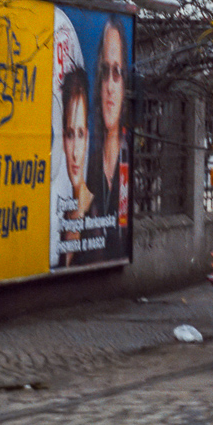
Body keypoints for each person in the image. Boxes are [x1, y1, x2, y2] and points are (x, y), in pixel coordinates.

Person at [87, 17, 130, 261]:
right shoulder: (88, 166)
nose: (110, 86)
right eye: (105, 72)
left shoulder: (128, 157)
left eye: (117, 73)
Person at [58, 65, 94, 264]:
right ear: (63, 139)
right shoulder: (65, 212)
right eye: (70, 134)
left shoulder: (95, 213)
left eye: (80, 134)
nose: (75, 152)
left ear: (88, 138)